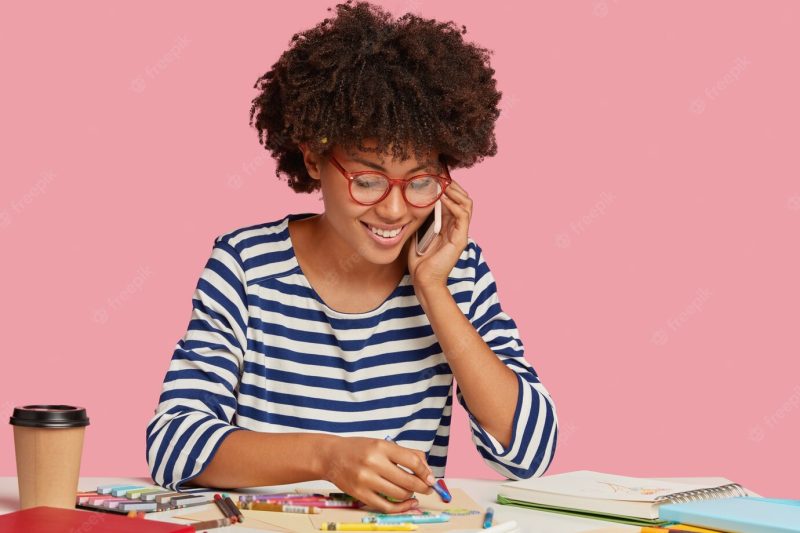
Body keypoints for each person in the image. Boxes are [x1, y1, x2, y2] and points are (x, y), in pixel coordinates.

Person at [145, 0, 557, 514]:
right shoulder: (246, 266)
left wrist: (434, 290)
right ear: (313, 158)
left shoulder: (457, 270)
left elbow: (529, 451)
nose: (393, 208)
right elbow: (174, 444)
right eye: (367, 179)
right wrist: (328, 456)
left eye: (421, 181)